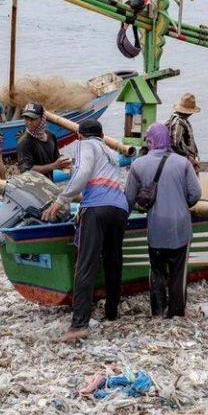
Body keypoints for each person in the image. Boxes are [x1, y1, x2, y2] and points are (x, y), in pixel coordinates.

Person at [42, 120, 129, 341]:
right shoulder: (109, 151)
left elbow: (82, 175)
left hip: (97, 208)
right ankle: (112, 312)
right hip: (120, 208)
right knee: (113, 260)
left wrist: (62, 200)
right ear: (102, 134)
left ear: (80, 135)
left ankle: (79, 324)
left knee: (86, 264)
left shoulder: (84, 145)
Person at [125, 123, 202, 319]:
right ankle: (176, 313)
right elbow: (195, 193)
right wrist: (181, 201)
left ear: (150, 141)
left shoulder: (138, 164)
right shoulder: (183, 163)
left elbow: (128, 198)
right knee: (178, 273)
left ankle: (158, 311)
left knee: (157, 270)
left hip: (156, 227)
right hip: (180, 227)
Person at [16, 102, 71, 180]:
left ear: (42, 118)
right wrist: (54, 166)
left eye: (33, 119)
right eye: (26, 118)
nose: (29, 122)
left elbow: (55, 158)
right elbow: (26, 170)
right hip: (33, 188)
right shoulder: (24, 142)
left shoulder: (51, 136)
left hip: (49, 184)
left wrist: (64, 163)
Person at [166, 93, 201, 174]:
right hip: (184, 162)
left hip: (184, 161)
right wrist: (188, 157)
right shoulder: (179, 123)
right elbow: (174, 145)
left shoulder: (178, 119)